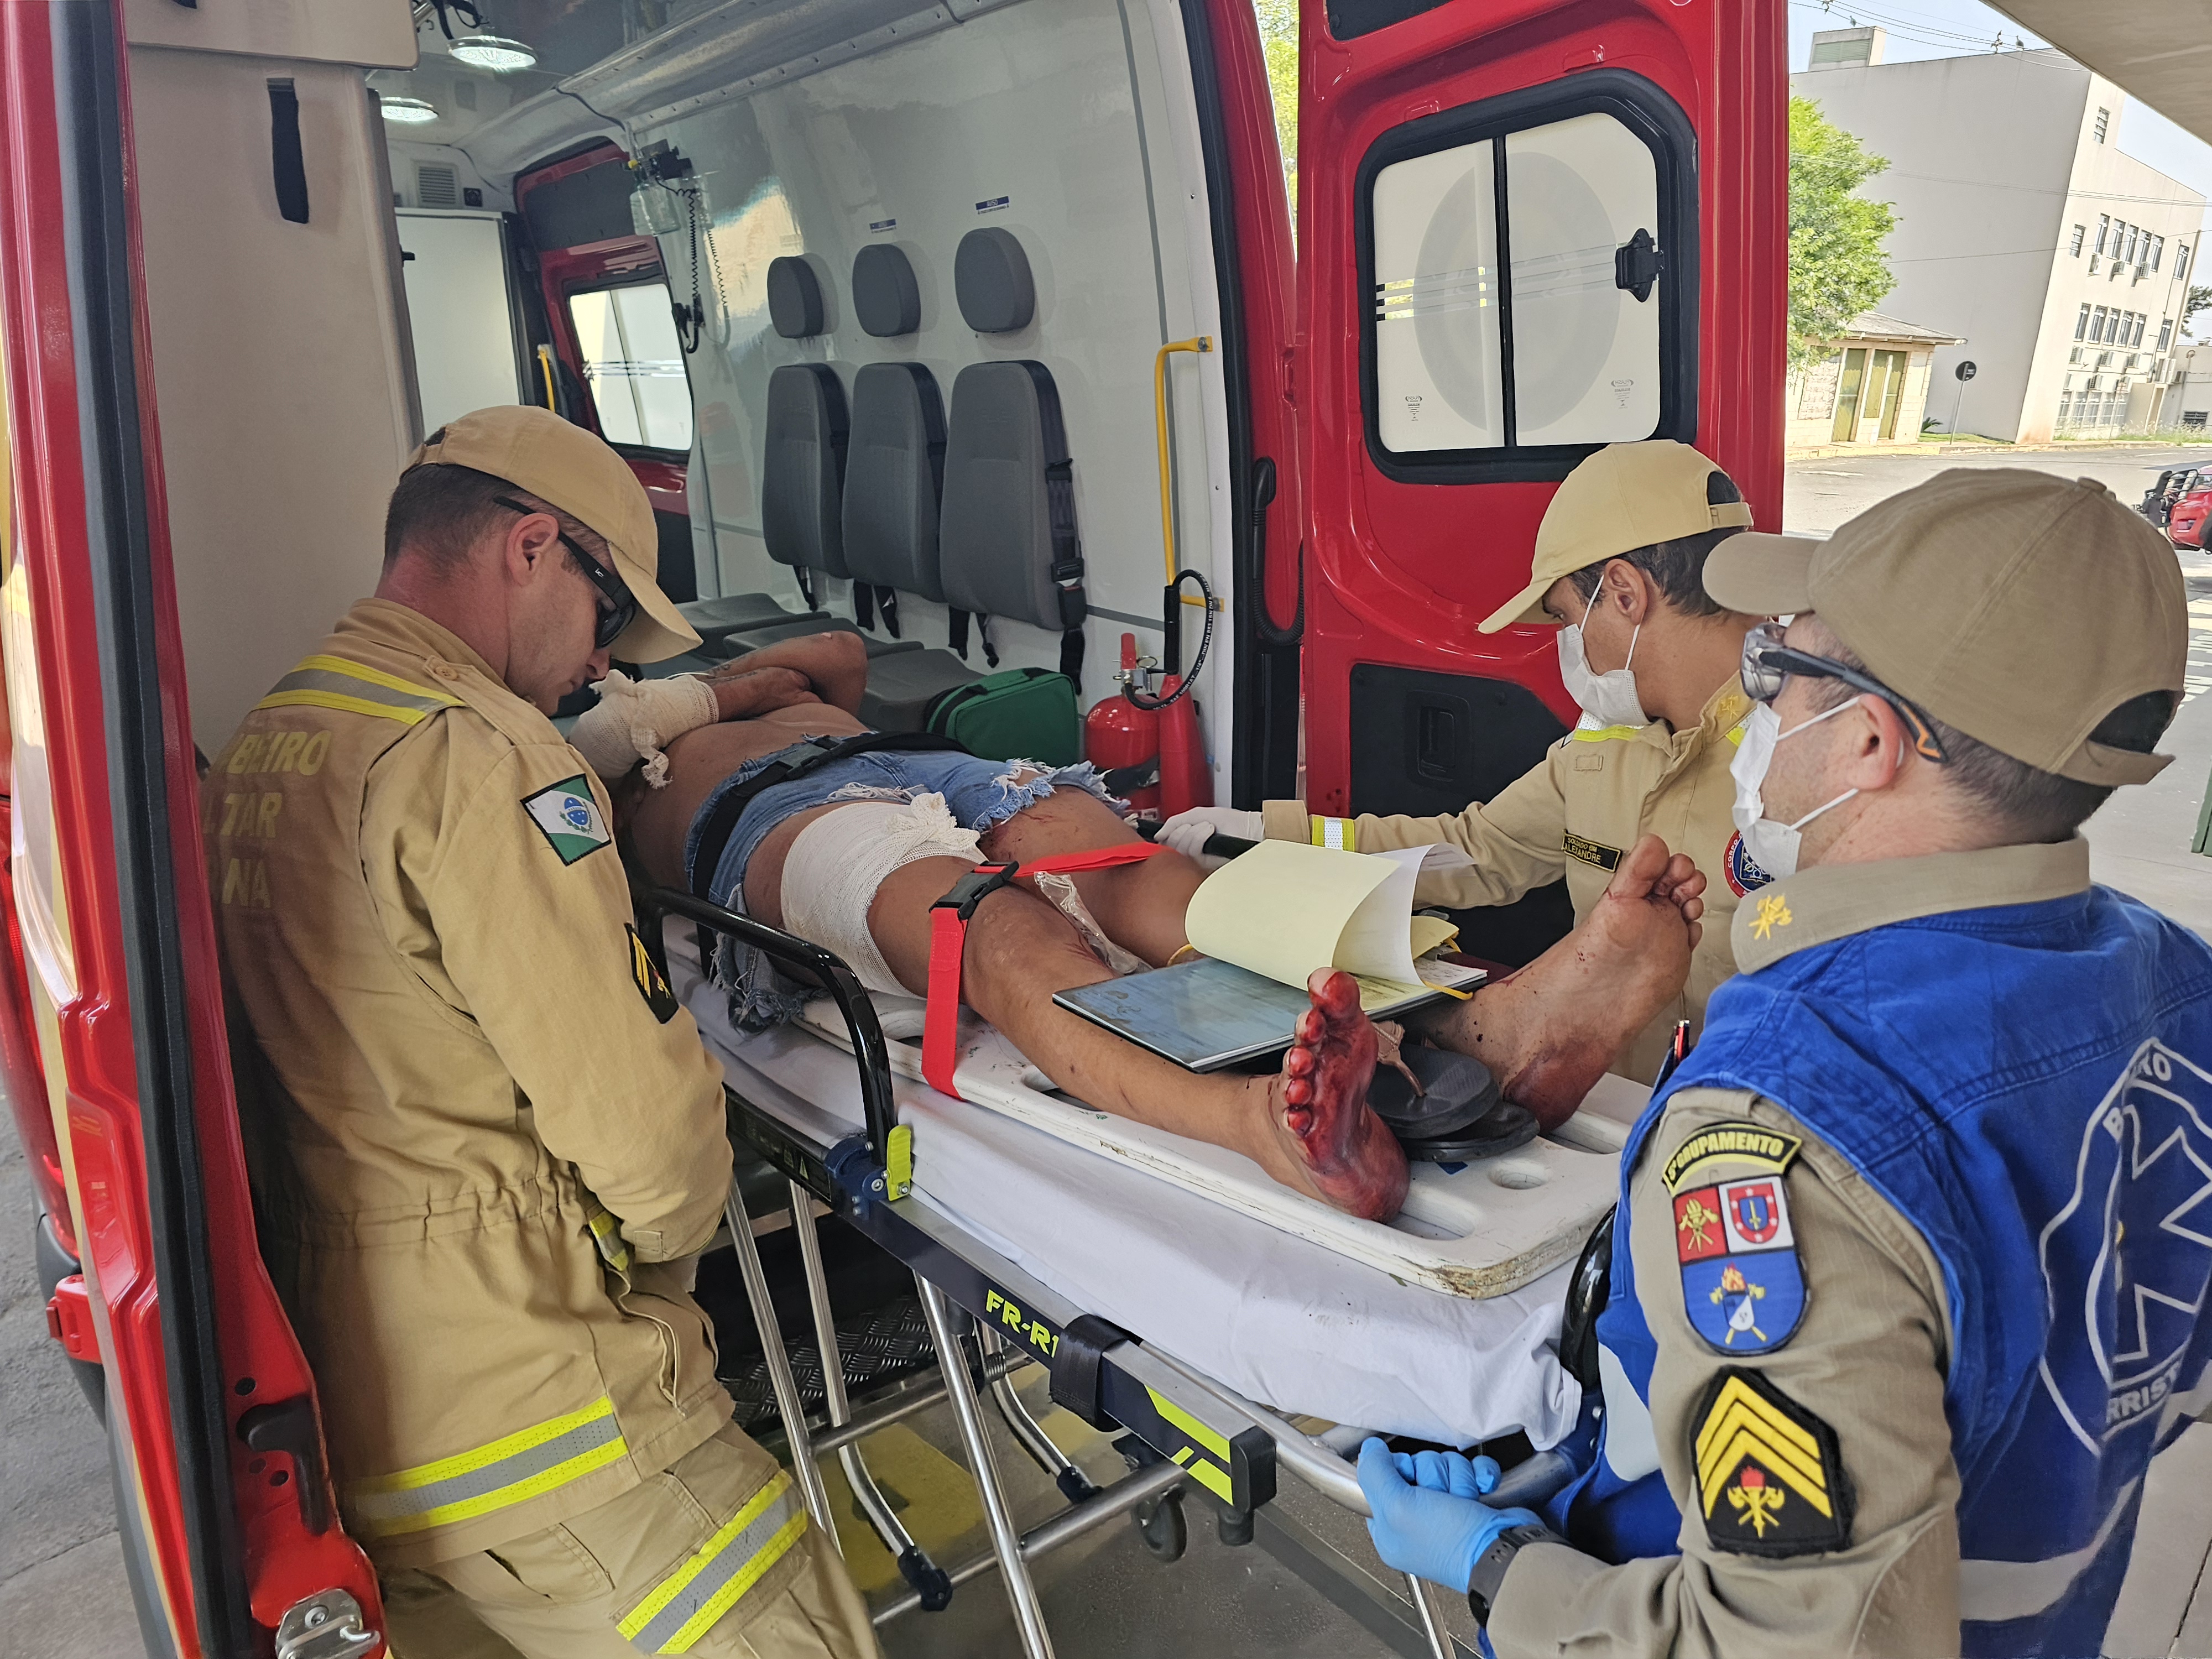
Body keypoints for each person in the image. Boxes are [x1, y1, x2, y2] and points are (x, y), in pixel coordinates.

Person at [1355, 469, 2212, 1657]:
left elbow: (1785, 1641)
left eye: (1777, 673)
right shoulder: (2174, 979)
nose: (1749, 707)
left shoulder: (1788, 1113)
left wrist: (1500, 1569)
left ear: (1867, 740)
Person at [206, 407, 877, 1658]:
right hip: (550, 1429)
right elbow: (654, 1157)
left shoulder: (274, 739)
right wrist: (665, 1247)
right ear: (530, 548)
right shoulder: (483, 760)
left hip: (360, 1435)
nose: (598, 664)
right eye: (608, 614)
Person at [606, 629, 1713, 1224]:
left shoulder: (667, 693)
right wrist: (632, 729)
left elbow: (839, 656)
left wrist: (680, 699)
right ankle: (1256, 1125)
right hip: (771, 819)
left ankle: (1479, 1035)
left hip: (925, 763)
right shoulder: (533, 741)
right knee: (982, 923)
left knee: (1141, 878)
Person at [1162, 439, 1766, 1085]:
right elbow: (1470, 850)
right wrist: (1270, 840)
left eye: (1565, 616)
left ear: (1623, 593)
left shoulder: (1811, 757)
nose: (1569, 645)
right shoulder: (1608, 740)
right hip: (1603, 1103)